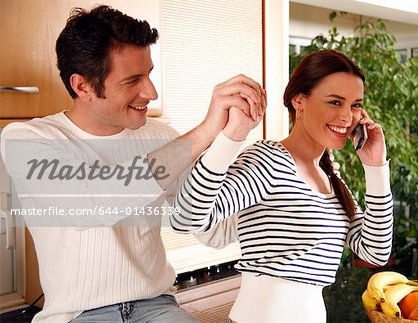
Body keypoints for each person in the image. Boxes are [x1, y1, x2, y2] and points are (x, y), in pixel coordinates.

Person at [0, 5, 266, 323]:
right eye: (133, 80)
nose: (150, 92)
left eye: (149, 73)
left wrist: (236, 142)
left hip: (156, 306)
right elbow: (95, 201)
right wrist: (206, 131)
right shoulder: (28, 138)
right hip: (77, 315)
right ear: (82, 86)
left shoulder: (161, 137)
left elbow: (208, 227)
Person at [171, 49, 394, 323]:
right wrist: (232, 135)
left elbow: (375, 251)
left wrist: (376, 167)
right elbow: (186, 218)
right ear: (299, 100)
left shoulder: (330, 179)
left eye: (355, 104)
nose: (348, 117)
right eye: (335, 102)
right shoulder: (270, 160)